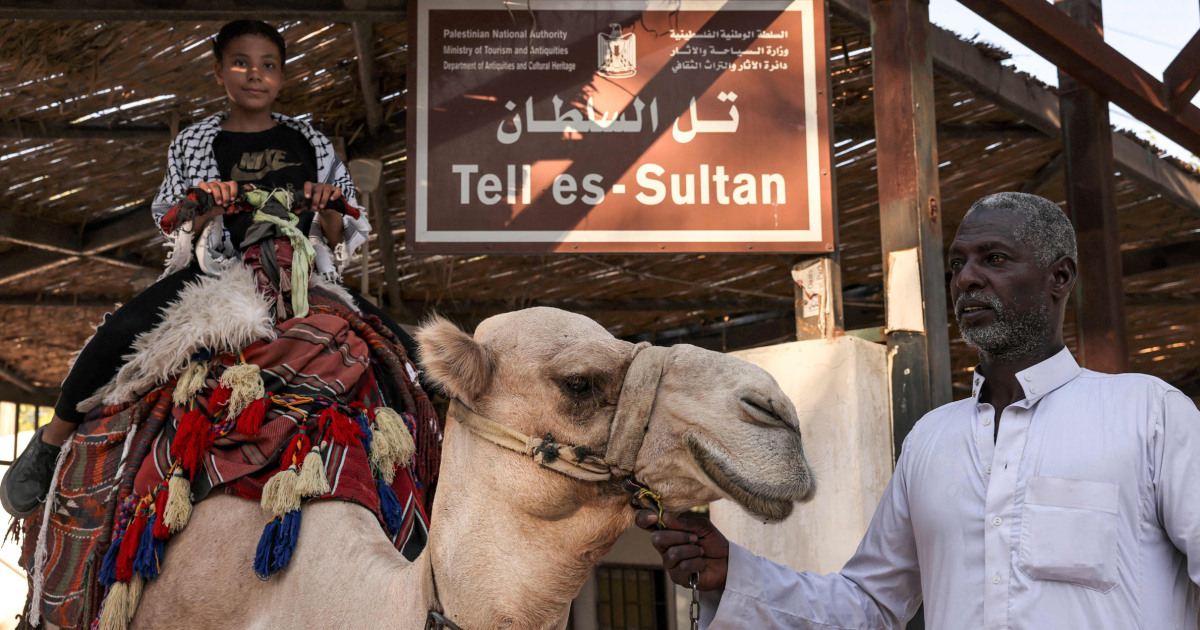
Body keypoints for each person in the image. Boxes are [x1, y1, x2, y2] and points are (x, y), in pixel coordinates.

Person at [638, 192, 1200, 629]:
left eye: (994, 259)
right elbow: (870, 606)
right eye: (958, 264)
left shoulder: (1149, 415)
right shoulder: (933, 439)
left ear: (1060, 278)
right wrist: (734, 572)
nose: (967, 279)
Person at [2, 20, 415, 519]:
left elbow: (337, 233)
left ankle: (431, 453)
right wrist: (210, 205)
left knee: (400, 346)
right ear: (219, 71)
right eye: (241, 63)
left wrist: (328, 203)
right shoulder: (196, 142)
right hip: (219, 272)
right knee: (121, 329)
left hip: (301, 276)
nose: (255, 75)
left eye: (268, 65)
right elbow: (172, 220)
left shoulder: (309, 140)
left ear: (281, 76)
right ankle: (50, 443)